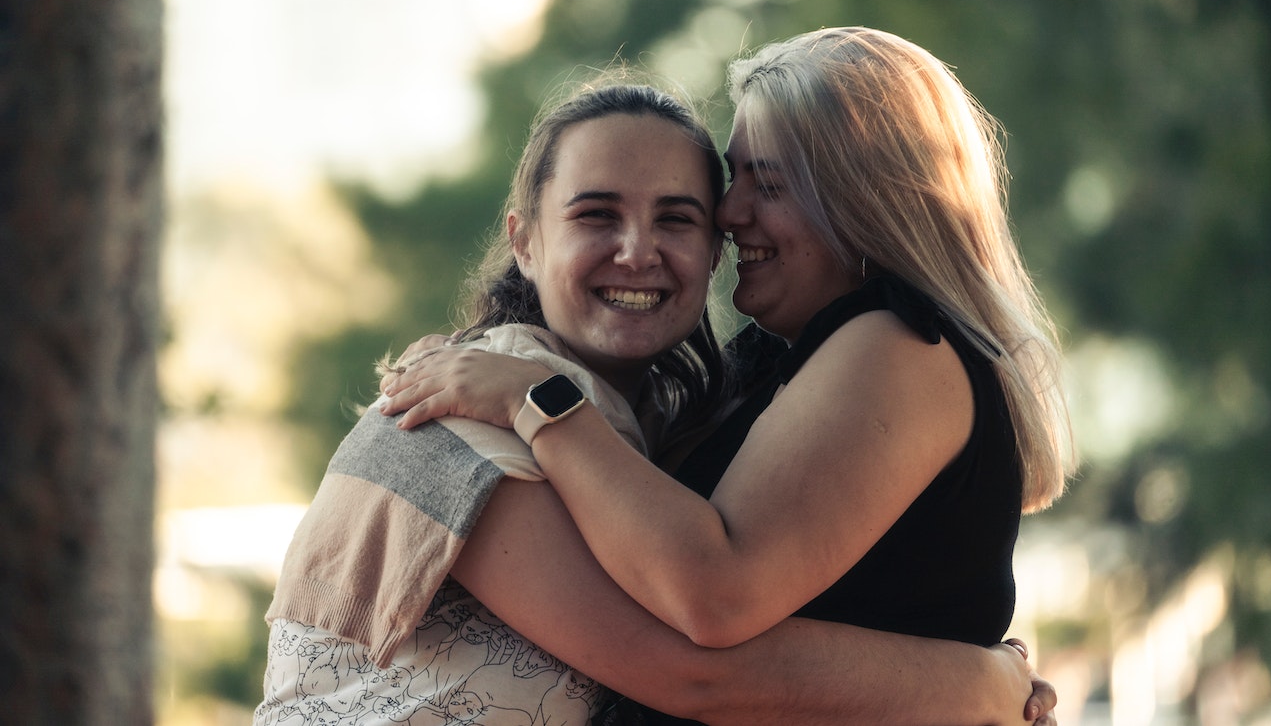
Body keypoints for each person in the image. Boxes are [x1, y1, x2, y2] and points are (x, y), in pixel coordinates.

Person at [258, 77, 1057, 726]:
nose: (638, 251)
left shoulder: (651, 424)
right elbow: (688, 671)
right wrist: (976, 683)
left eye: (679, 216)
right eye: (596, 214)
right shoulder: (466, 410)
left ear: (711, 250)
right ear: (525, 240)